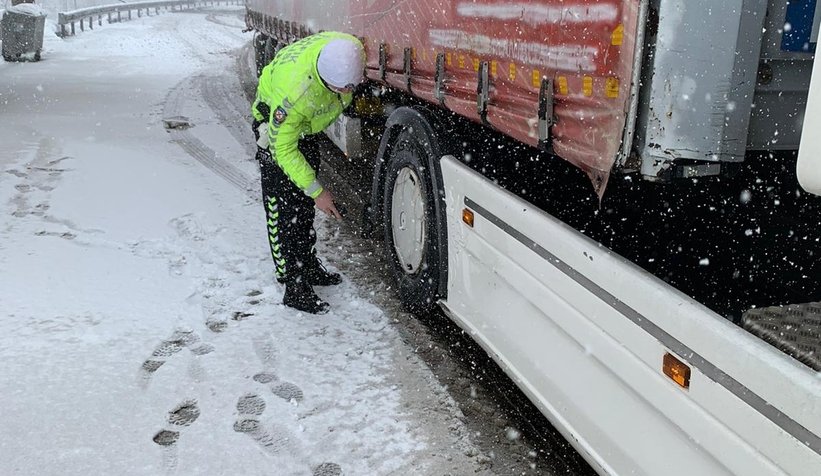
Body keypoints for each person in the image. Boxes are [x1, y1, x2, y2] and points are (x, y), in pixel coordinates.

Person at [251, 32, 365, 314]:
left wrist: (311, 194)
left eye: (351, 87)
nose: (347, 94)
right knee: (286, 209)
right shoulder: (297, 93)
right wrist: (318, 192)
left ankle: (308, 266)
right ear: (325, 81)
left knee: (303, 207)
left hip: (304, 129)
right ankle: (294, 285)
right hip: (277, 136)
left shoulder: (347, 48)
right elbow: (283, 149)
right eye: (341, 89)